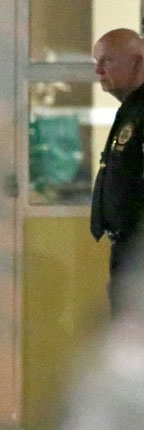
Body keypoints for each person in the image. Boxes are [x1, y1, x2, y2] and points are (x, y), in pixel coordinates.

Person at [91, 28, 144, 317]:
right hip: (127, 249)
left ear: (138, 61)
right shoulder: (131, 110)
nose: (98, 70)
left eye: (107, 60)